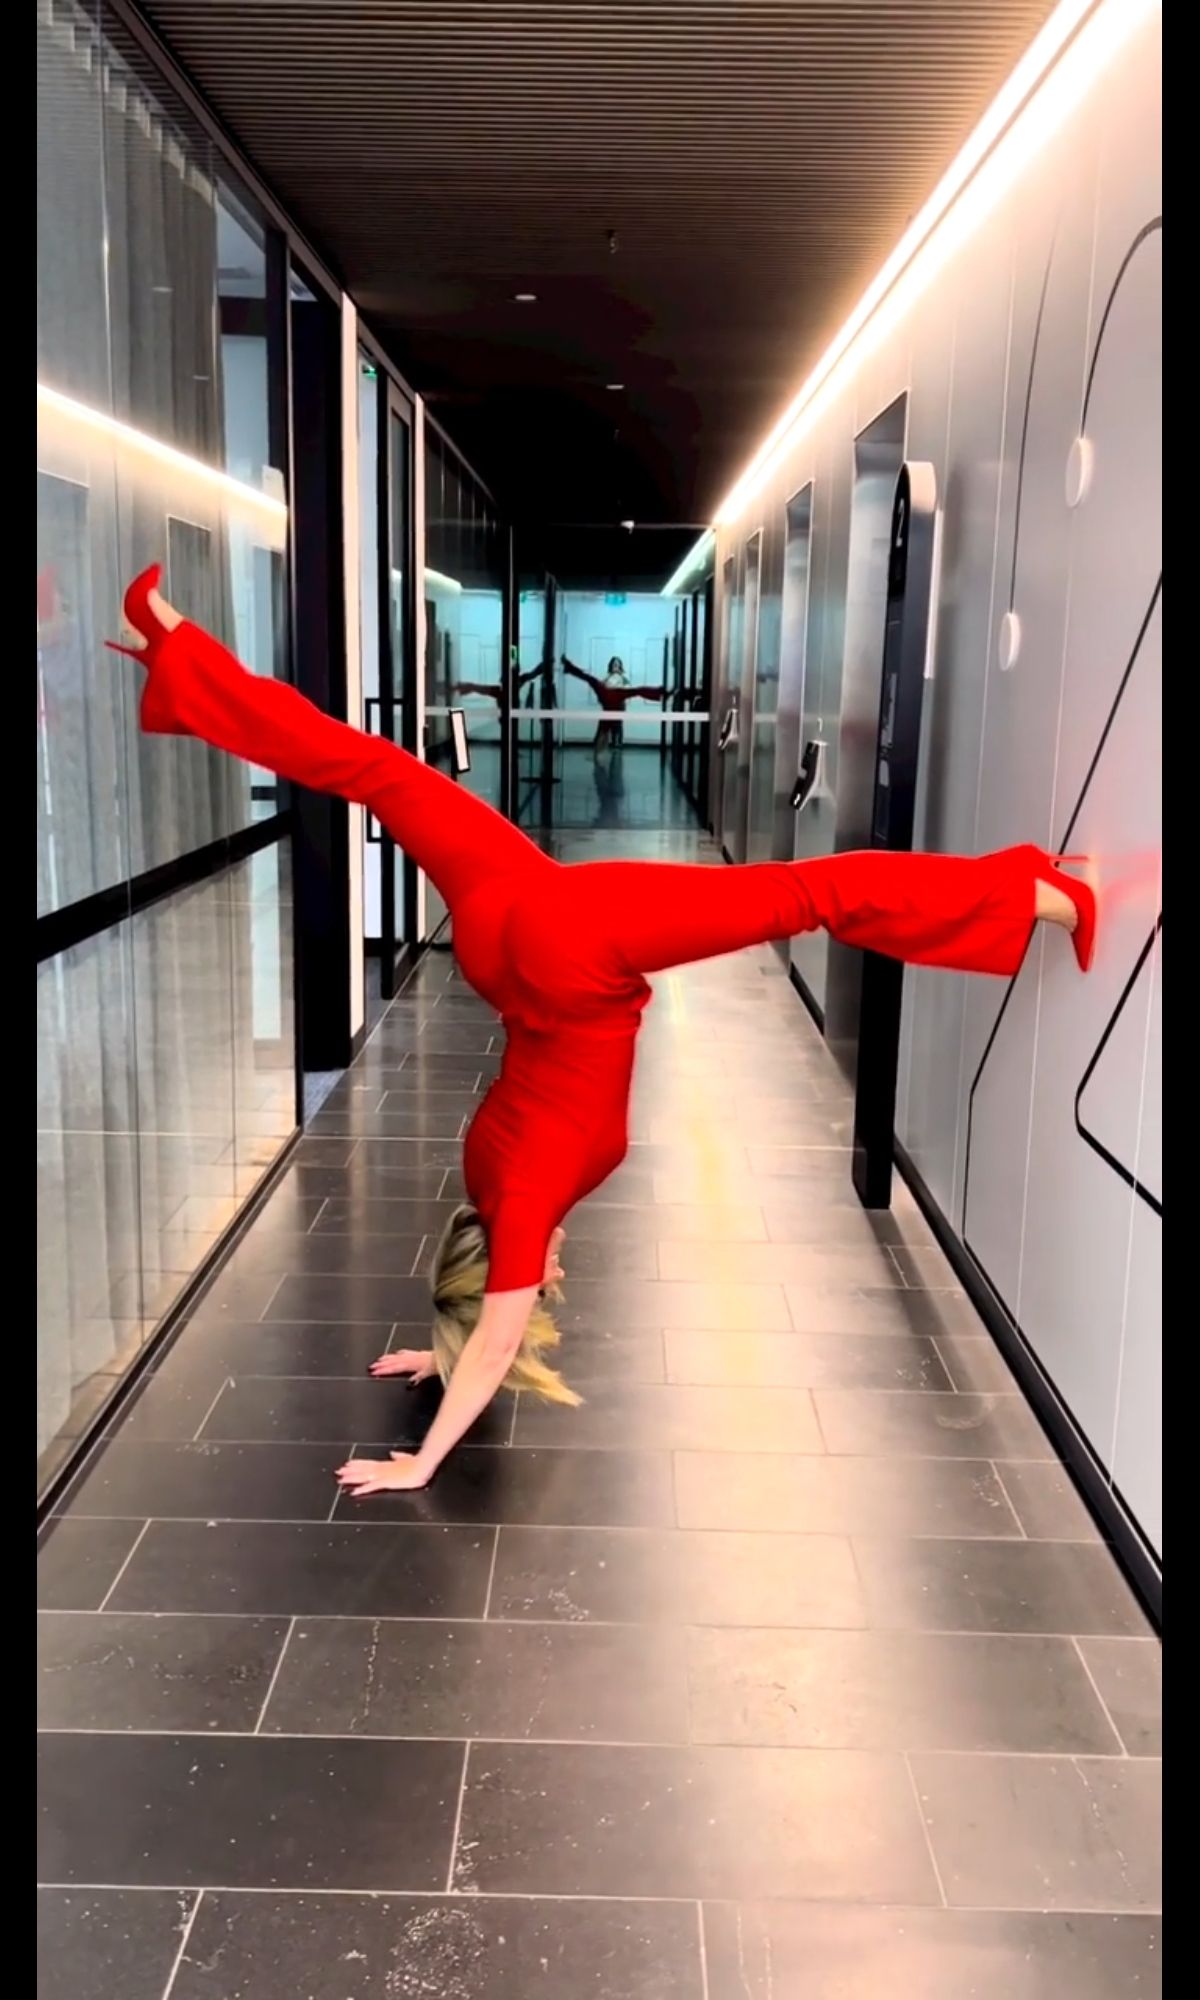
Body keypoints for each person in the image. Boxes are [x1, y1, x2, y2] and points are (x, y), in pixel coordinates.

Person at [111, 564, 1095, 1497]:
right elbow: (488, 1309)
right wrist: (441, 1345)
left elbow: (498, 1336)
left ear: (504, 1268)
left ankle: (1044, 899)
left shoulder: (528, 1197)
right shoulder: (493, 1182)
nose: (553, 1284)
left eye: (535, 1285)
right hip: (500, 921)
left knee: (811, 892)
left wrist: (420, 1459)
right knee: (374, 769)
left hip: (568, 946)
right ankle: (180, 655)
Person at [561, 654, 667, 747]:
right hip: (608, 698)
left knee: (637, 692)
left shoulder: (623, 678)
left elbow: (628, 689)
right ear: (611, 666)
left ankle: (660, 693)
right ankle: (569, 668)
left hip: (617, 700)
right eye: (614, 664)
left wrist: (620, 681)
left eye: (617, 664)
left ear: (620, 666)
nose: (615, 666)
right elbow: (602, 687)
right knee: (591, 679)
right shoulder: (607, 677)